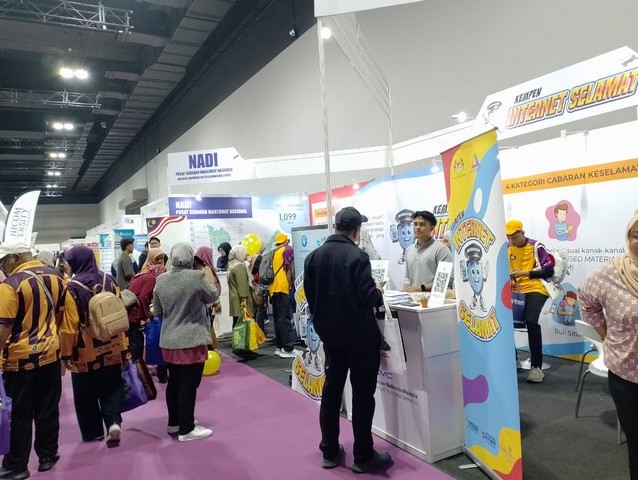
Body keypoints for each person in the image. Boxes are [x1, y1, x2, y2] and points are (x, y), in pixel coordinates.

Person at [304, 207, 393, 474]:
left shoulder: (313, 257)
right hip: (360, 337)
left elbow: (310, 296)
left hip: (331, 337)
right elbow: (369, 297)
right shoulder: (357, 256)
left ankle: (329, 450)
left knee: (332, 391)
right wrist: (378, 291)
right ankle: (363, 456)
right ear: (356, 230)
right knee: (363, 395)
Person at [578, 212, 638, 480]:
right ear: (628, 237)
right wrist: (604, 334)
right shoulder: (610, 274)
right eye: (637, 235)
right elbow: (585, 299)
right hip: (628, 374)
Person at [0, 240, 66, 479]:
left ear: (16, 258)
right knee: (48, 407)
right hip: (51, 353)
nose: (3, 268)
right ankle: (48, 455)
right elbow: (61, 315)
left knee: (20, 413)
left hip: (19, 359)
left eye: (4, 262)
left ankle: (17, 465)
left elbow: (3, 327)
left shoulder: (11, 285)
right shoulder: (57, 277)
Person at [59, 246, 129, 447]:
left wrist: (65, 355)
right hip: (113, 342)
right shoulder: (109, 280)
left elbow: (69, 326)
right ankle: (113, 422)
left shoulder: (72, 287)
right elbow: (119, 311)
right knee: (111, 386)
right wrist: (125, 347)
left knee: (85, 393)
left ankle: (93, 432)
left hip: (85, 349)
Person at [152, 243, 219, 442]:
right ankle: (187, 428)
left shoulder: (161, 279)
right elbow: (213, 295)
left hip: (169, 340)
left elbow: (157, 311)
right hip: (192, 339)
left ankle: (174, 423)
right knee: (189, 385)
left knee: (174, 383)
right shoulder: (196, 277)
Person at [506, 219, 554, 383]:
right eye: (509, 237)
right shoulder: (507, 247)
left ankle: (536, 367)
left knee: (531, 321)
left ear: (523, 233)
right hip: (514, 289)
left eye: (515, 237)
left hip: (536, 287)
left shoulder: (536, 246)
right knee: (505, 323)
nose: (512, 240)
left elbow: (549, 271)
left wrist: (525, 273)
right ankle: (513, 359)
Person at [126, 248, 167, 362]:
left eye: (161, 258)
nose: (160, 261)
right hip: (134, 316)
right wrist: (145, 317)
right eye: (157, 259)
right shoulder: (151, 278)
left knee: (135, 344)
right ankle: (138, 370)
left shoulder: (144, 273)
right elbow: (143, 298)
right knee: (137, 347)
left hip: (130, 315)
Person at [403, 210, 454, 292]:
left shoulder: (442, 250)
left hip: (433, 298)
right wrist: (405, 289)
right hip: (411, 298)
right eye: (415, 224)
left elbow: (447, 280)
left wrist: (421, 288)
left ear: (432, 228)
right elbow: (407, 277)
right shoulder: (409, 250)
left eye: (422, 224)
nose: (417, 227)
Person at [269, 233, 301, 358]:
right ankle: (288, 348)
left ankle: (279, 347)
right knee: (285, 318)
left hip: (273, 288)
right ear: (286, 241)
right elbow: (288, 270)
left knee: (278, 319)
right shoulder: (287, 249)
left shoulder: (274, 251)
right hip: (282, 287)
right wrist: (289, 286)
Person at [194, 246, 222, 349]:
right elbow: (212, 288)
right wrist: (217, 302)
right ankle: (209, 349)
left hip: (201, 304)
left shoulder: (195, 268)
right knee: (208, 326)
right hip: (210, 303)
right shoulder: (206, 268)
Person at [227, 245, 253, 327]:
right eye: (244, 252)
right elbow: (242, 285)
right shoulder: (239, 266)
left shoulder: (232, 265)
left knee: (236, 323)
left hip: (234, 298)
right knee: (243, 325)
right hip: (240, 300)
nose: (246, 254)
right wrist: (244, 299)